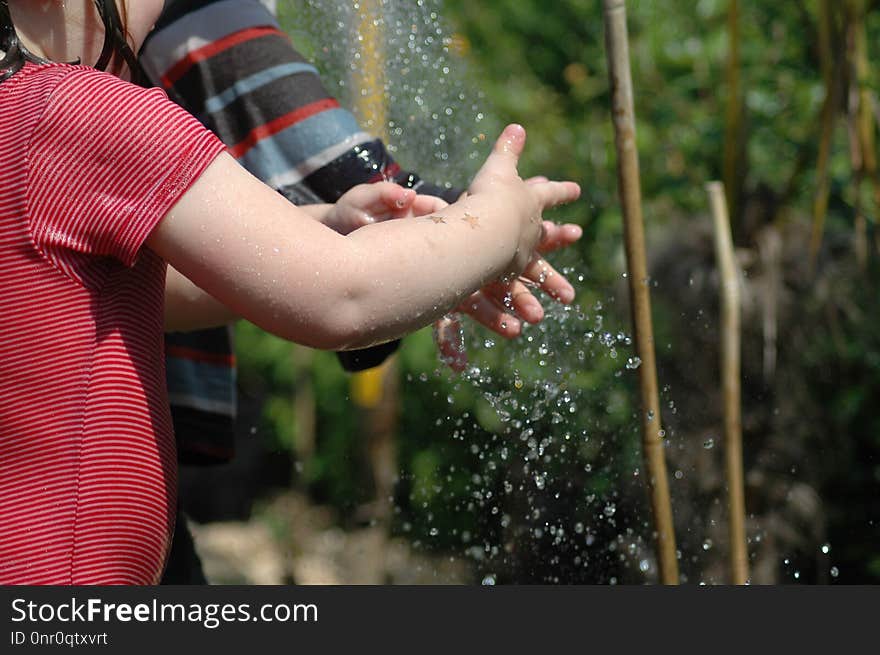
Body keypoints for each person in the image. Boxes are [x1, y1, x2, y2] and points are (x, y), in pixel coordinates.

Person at [0, 0, 581, 584]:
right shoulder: (83, 111)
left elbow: (102, 286)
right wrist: (500, 224)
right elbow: (346, 294)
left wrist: (312, 229)